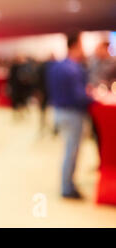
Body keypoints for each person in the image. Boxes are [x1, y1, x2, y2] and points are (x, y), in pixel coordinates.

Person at [46, 33, 94, 199]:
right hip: (72, 113)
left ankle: (67, 183)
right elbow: (79, 96)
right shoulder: (73, 68)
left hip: (58, 111)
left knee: (68, 149)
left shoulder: (56, 66)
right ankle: (67, 187)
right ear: (76, 45)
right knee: (71, 151)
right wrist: (93, 97)